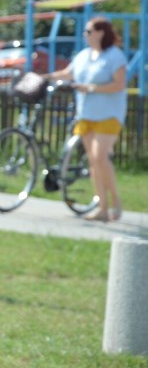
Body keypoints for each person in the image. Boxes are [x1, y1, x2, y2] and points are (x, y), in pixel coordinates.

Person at [44, 17, 127, 222]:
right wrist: (44, 77)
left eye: (89, 31)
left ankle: (116, 200)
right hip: (86, 113)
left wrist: (90, 88)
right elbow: (68, 73)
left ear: (100, 33)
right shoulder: (83, 56)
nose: (86, 35)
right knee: (92, 160)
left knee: (100, 157)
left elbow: (119, 85)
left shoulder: (114, 57)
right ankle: (102, 206)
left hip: (109, 114)